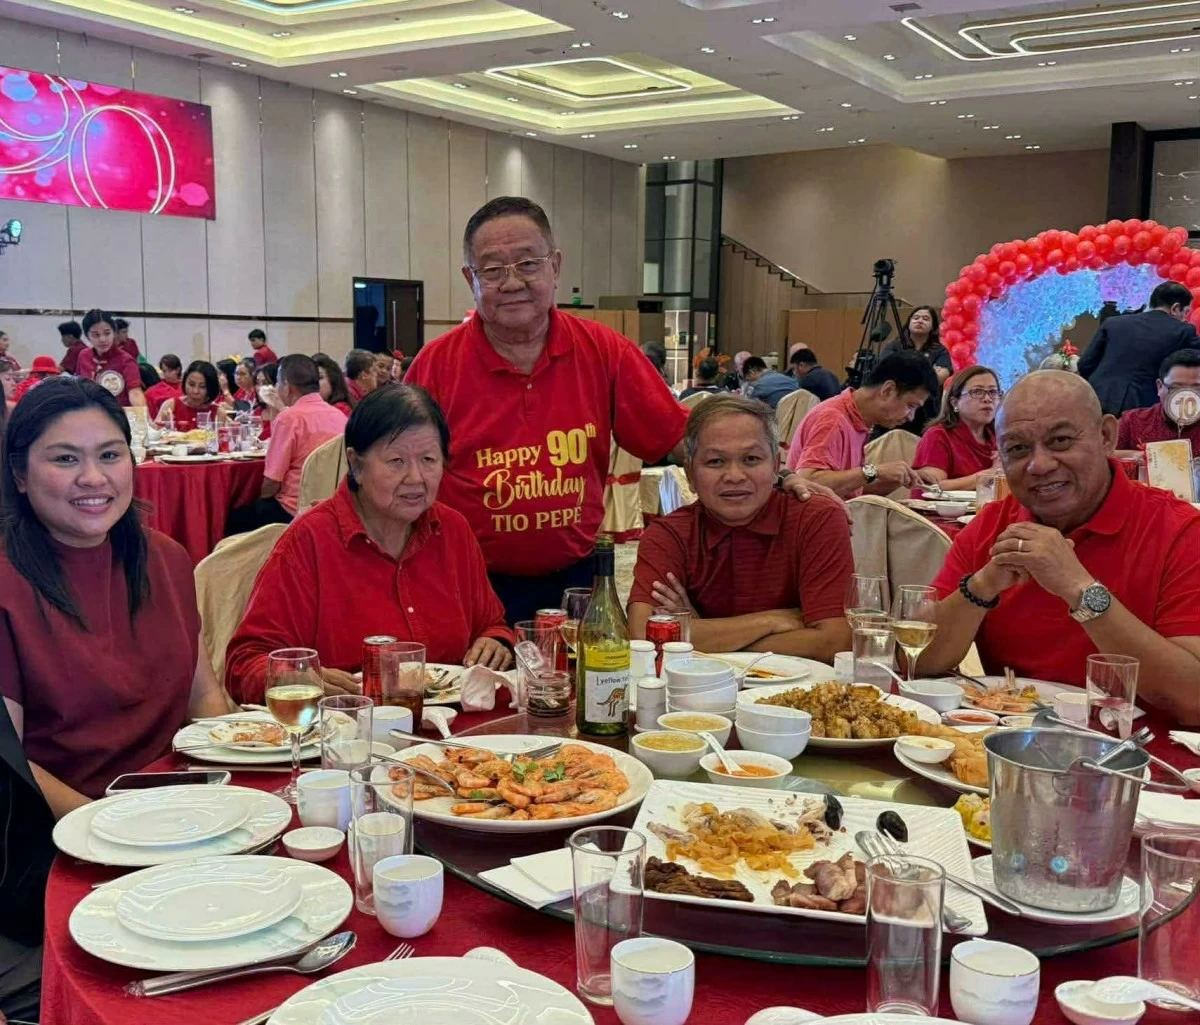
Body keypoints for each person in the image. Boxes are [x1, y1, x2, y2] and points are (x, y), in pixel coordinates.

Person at [405, 196, 833, 624]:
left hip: (576, 580)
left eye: (528, 263)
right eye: (492, 269)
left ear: (555, 267)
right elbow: (396, 471)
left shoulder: (602, 351)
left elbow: (683, 440)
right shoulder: (437, 366)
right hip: (464, 581)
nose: (512, 282)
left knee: (581, 685)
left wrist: (776, 474)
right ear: (470, 278)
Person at [0, 377, 236, 815]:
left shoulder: (165, 559)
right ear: (19, 474)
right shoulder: (8, 583)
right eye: (66, 459)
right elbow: (10, 763)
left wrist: (235, 790)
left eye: (110, 455)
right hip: (64, 828)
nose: (94, 478)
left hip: (183, 806)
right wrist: (107, 826)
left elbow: (202, 698)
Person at [921, 371, 1200, 721]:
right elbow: (920, 660)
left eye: (1061, 441)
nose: (1039, 465)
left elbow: (1193, 699)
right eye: (1018, 449)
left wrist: (1080, 591)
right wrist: (983, 585)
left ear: (1106, 436)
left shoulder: (1179, 530)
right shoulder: (992, 526)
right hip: (1005, 748)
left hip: (1137, 759)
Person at [225, 386, 514, 702]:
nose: (416, 477)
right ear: (357, 465)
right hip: (346, 733)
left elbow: (491, 624)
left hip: (451, 735)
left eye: (429, 459)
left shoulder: (452, 530)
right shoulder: (311, 540)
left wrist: (495, 642)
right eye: (396, 461)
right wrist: (297, 678)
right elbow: (244, 665)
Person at [629, 396, 853, 661]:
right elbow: (643, 635)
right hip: (696, 691)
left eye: (751, 459)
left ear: (775, 465)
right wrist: (770, 621)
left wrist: (694, 634)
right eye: (715, 462)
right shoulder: (669, 534)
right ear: (690, 474)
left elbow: (835, 642)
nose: (734, 475)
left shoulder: (816, 519)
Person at [787, 349, 939, 497]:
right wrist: (874, 471)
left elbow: (851, 491)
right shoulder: (833, 418)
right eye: (911, 406)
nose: (911, 417)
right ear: (888, 390)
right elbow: (807, 483)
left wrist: (901, 477)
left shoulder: (857, 419)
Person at [227, 354, 346, 531]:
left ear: (287, 387)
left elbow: (272, 482)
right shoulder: (339, 416)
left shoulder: (290, 418)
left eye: (278, 383)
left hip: (293, 509)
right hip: (330, 506)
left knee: (233, 518)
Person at [1079, 282, 1200, 415]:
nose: (1185, 319)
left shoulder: (1113, 323)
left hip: (1096, 398)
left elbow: (1085, 364)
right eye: (1186, 312)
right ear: (1176, 308)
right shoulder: (1183, 331)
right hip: (1143, 407)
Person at [913, 365, 1000, 491]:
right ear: (954, 402)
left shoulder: (999, 437)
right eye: (977, 392)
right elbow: (933, 487)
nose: (987, 399)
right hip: (939, 510)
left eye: (993, 392)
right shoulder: (938, 435)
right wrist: (991, 474)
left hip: (986, 509)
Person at [1115, 349, 1200, 457]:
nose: (1186, 396)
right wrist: (1139, 456)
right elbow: (1100, 452)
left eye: (1197, 389)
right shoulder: (1132, 422)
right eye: (1176, 388)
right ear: (1159, 387)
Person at [882, 305, 952, 431]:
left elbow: (939, 378)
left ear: (933, 326)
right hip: (893, 410)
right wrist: (928, 371)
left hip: (927, 412)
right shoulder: (894, 346)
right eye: (916, 318)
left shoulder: (940, 350)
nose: (920, 321)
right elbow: (888, 372)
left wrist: (904, 372)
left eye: (925, 318)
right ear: (908, 323)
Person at [76, 309, 145, 407]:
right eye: (96, 335)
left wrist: (142, 418)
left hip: (118, 416)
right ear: (87, 336)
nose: (102, 339)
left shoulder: (126, 360)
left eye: (107, 333)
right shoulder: (84, 356)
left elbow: (135, 393)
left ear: (114, 333)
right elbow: (78, 388)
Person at [156, 360, 222, 431]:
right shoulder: (171, 405)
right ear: (184, 382)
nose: (195, 391)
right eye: (191, 384)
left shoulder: (217, 412)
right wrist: (163, 425)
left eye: (202, 386)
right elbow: (154, 432)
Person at [144, 354, 183, 418]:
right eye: (164, 371)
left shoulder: (187, 389)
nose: (166, 374)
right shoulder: (151, 392)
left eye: (170, 370)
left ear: (178, 370)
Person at [253, 362, 277, 440]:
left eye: (265, 383)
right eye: (257, 383)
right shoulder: (257, 413)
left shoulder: (285, 412)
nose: (259, 388)